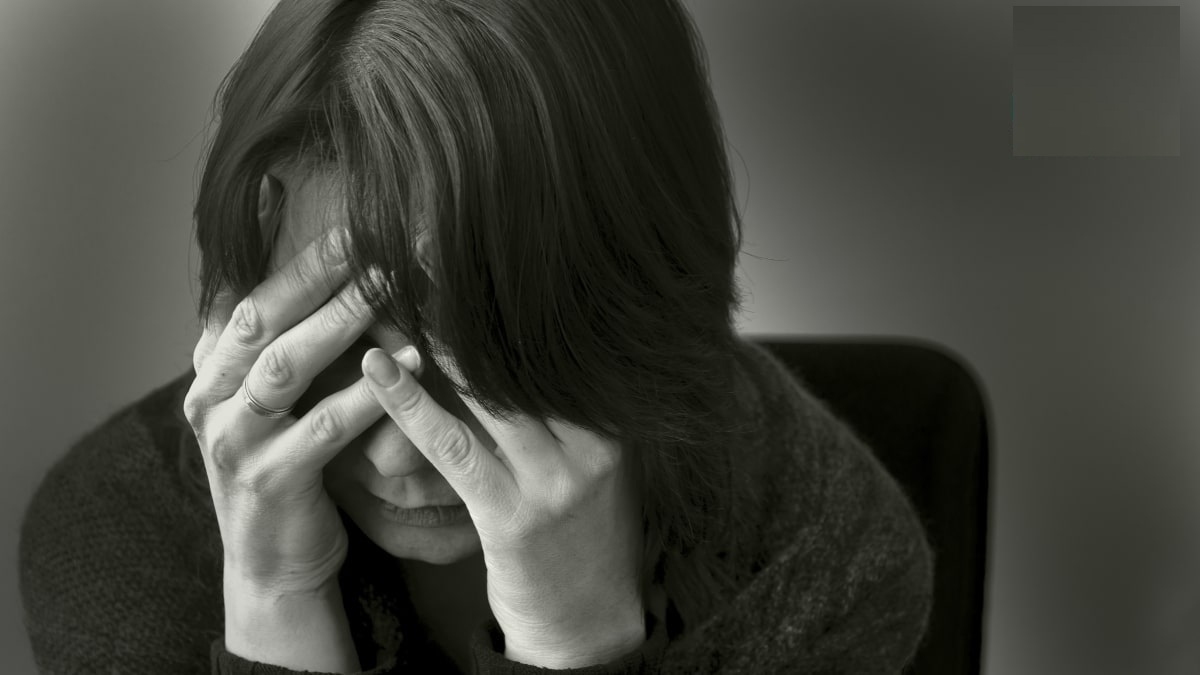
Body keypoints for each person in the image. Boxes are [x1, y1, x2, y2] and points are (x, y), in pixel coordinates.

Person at [18, 1, 935, 673]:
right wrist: (275, 600)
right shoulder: (123, 532)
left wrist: (575, 642)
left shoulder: (818, 547)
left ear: (646, 300)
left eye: (494, 354)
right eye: (335, 347)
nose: (404, 454)